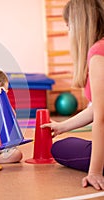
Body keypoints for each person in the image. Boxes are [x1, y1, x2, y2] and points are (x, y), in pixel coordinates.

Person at [41, 0, 104, 190]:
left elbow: (101, 119)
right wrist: (63, 126)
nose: (68, 33)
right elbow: (98, 108)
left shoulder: (98, 53)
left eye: (68, 27)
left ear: (79, 25)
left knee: (60, 148)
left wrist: (95, 172)